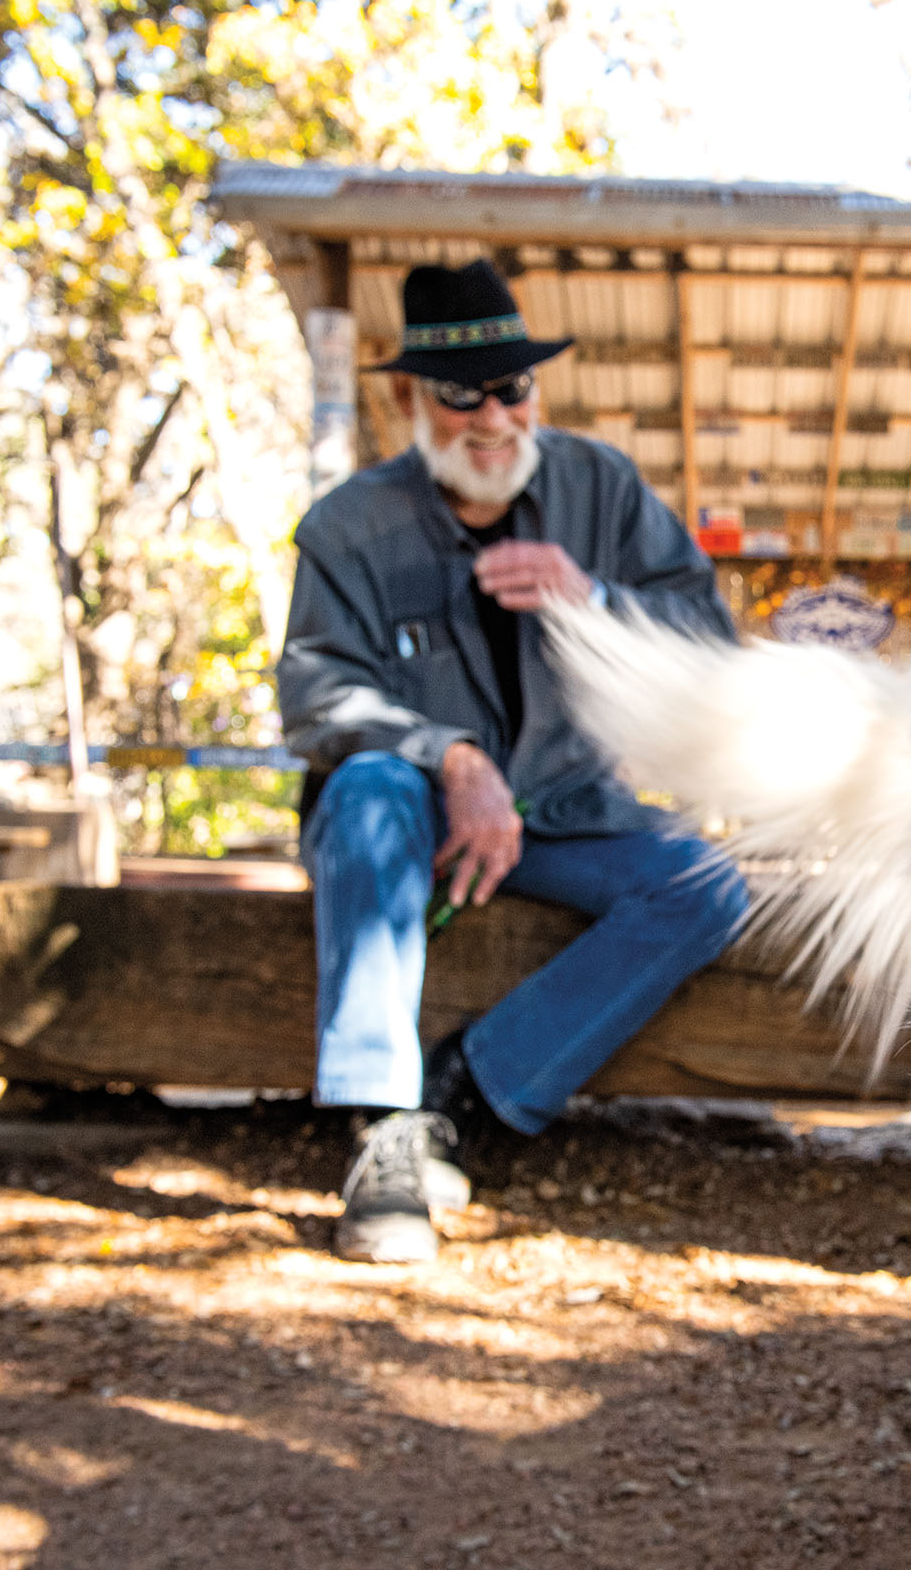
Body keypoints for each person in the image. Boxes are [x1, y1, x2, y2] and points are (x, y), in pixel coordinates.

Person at [279, 261, 748, 1264]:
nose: (494, 417)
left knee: (706, 884)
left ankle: (472, 1086)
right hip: (406, 819)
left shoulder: (600, 487)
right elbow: (316, 695)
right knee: (364, 787)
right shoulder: (346, 528)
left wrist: (597, 599)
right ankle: (378, 1129)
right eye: (462, 395)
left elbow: (709, 634)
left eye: (514, 389)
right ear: (409, 399)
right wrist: (444, 755)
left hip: (567, 812)